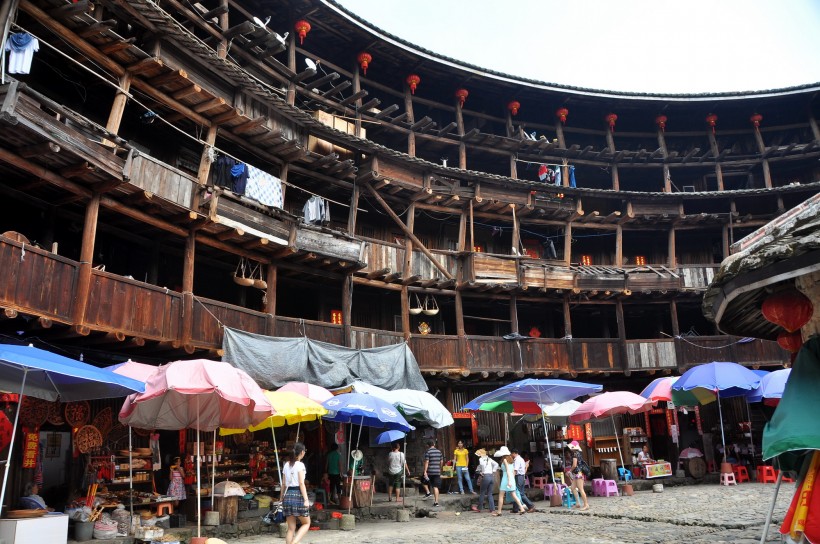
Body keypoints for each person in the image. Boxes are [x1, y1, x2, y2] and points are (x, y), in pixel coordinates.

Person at [279, 443, 311, 544]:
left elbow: (283, 484)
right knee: (306, 523)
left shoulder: (286, 465)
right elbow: (301, 483)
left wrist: (281, 498)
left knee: (291, 528)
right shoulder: (300, 465)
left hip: (287, 497)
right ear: (302, 452)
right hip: (297, 496)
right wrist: (306, 499)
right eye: (304, 451)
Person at [492, 446, 525, 516]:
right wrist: (511, 480)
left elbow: (507, 471)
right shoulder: (511, 460)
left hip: (506, 479)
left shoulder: (504, 460)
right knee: (514, 495)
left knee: (501, 495)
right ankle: (522, 508)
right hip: (511, 479)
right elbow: (512, 471)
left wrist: (509, 481)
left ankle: (499, 511)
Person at [510, 448, 536, 513]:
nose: (511, 455)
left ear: (514, 453)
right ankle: (515, 508)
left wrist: (511, 478)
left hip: (518, 477)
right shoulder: (521, 459)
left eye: (511, 454)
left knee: (519, 493)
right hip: (521, 477)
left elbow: (515, 470)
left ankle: (530, 505)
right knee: (517, 493)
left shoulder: (517, 460)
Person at [473, 448, 498, 513]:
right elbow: (496, 464)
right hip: (491, 476)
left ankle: (479, 508)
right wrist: (493, 471)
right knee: (490, 493)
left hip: (486, 476)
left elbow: (482, 466)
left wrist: (482, 472)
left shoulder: (481, 459)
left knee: (482, 492)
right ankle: (492, 509)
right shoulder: (489, 459)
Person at [568, 440, 589, 511]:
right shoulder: (578, 453)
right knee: (573, 488)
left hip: (578, 473)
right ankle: (578, 503)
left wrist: (570, 471)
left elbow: (574, 465)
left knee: (581, 489)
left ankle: (586, 504)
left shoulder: (575, 454)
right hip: (577, 473)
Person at [422, 440, 443, 507]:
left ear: (428, 445)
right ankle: (436, 502)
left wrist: (425, 471)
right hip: (437, 471)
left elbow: (427, 462)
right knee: (435, 486)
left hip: (430, 471)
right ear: (434, 444)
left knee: (423, 480)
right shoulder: (439, 452)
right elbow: (441, 461)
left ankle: (428, 492)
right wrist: (440, 468)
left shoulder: (428, 452)